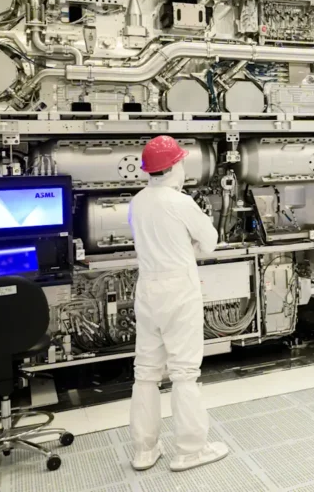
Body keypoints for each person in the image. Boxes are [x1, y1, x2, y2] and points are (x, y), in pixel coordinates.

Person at [127, 135, 229, 472]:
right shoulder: (180, 202)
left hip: (148, 289)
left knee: (145, 372)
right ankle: (190, 449)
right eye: (182, 162)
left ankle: (144, 450)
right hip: (178, 291)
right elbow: (211, 242)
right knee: (184, 373)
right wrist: (191, 247)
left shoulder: (138, 201)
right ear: (173, 168)